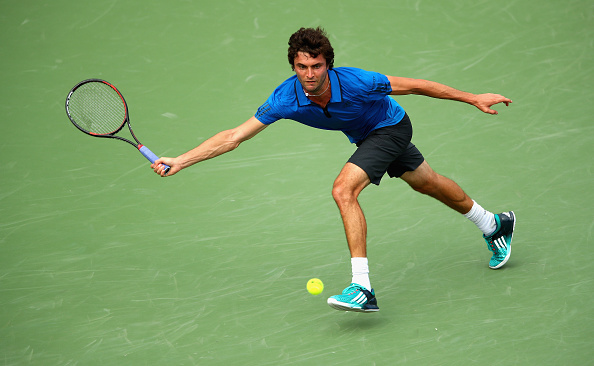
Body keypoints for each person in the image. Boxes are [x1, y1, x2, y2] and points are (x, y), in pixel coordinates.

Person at [151, 27, 516, 313]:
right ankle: (494, 224)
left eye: (317, 66)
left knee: (344, 190)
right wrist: (181, 160)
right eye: (301, 67)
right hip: (366, 137)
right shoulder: (284, 98)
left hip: (390, 127)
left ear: (328, 63)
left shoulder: (357, 81)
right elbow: (233, 136)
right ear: (293, 66)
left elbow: (417, 86)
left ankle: (362, 287)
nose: (309, 74)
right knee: (428, 183)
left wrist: (473, 97)